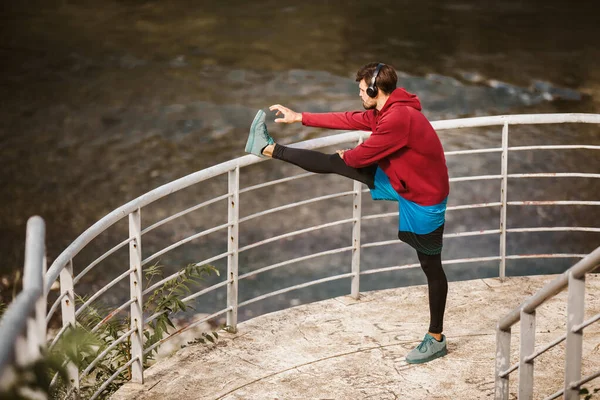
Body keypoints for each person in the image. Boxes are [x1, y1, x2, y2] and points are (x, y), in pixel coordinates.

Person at [244, 62, 450, 364]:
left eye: (361, 90)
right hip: (404, 181)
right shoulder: (389, 108)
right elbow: (350, 119)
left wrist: (348, 157)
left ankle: (436, 338)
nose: (359, 95)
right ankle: (267, 148)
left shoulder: (397, 119)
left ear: (373, 89)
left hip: (424, 197)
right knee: (336, 163)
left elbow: (362, 155)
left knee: (431, 265)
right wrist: (300, 117)